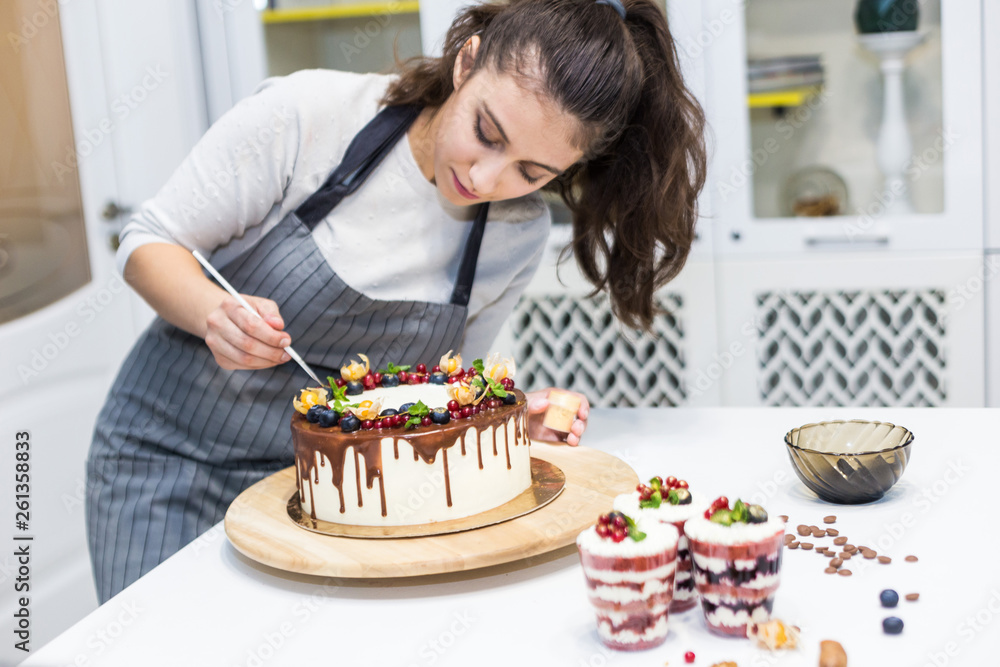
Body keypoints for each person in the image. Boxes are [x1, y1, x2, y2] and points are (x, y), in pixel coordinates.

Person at [86, 0, 707, 602]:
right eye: (487, 133)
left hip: (320, 501)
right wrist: (210, 312)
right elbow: (148, 241)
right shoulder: (314, 116)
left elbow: (437, 393)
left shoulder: (514, 236)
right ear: (465, 63)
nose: (486, 181)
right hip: (166, 464)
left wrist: (504, 420)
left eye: (531, 172)